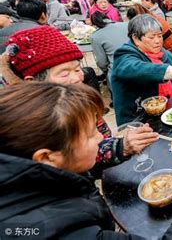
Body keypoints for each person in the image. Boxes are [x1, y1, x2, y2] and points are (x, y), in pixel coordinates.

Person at [0, 82, 172, 239]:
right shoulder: (50, 229)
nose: (102, 136)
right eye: (91, 134)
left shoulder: (24, 180)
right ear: (47, 157)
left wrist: (122, 146)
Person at [0, 26, 156, 168]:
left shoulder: (75, 96)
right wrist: (122, 147)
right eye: (64, 73)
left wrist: (122, 145)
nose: (77, 77)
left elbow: (99, 140)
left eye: (77, 68)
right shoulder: (28, 128)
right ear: (33, 82)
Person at [111, 14, 172, 125]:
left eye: (159, 36)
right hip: (138, 120)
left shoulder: (165, 54)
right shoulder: (124, 55)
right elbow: (137, 68)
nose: (158, 41)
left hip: (168, 114)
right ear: (136, 38)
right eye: (151, 37)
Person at [90, 12, 128, 84]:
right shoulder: (126, 25)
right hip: (137, 64)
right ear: (107, 17)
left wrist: (105, 72)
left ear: (94, 25)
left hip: (118, 74)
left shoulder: (95, 36)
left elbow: (102, 63)